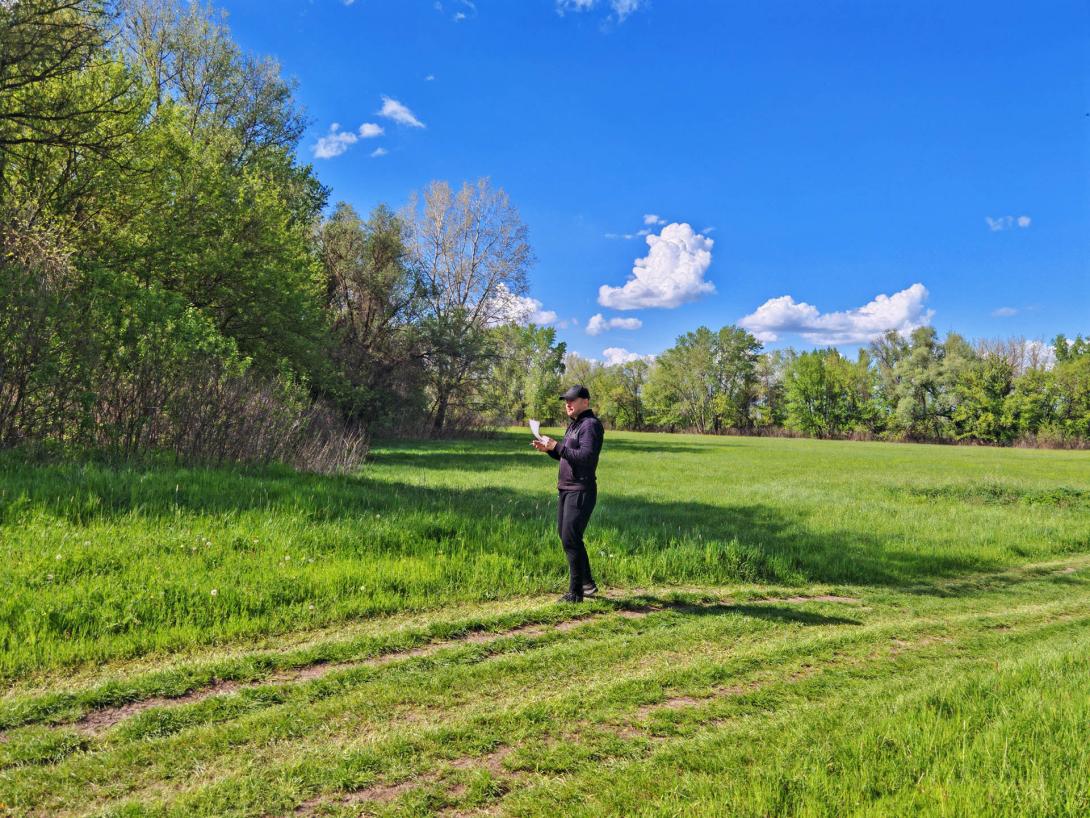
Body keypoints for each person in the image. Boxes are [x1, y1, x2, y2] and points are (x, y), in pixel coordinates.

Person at [532, 384, 604, 602]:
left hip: (581, 490)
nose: (568, 404)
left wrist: (558, 446)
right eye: (566, 400)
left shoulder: (590, 425)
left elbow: (587, 458)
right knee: (567, 537)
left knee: (571, 538)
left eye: (572, 400)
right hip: (566, 488)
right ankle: (587, 584)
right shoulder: (574, 425)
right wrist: (551, 450)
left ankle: (576, 593)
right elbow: (569, 456)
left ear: (585, 402)